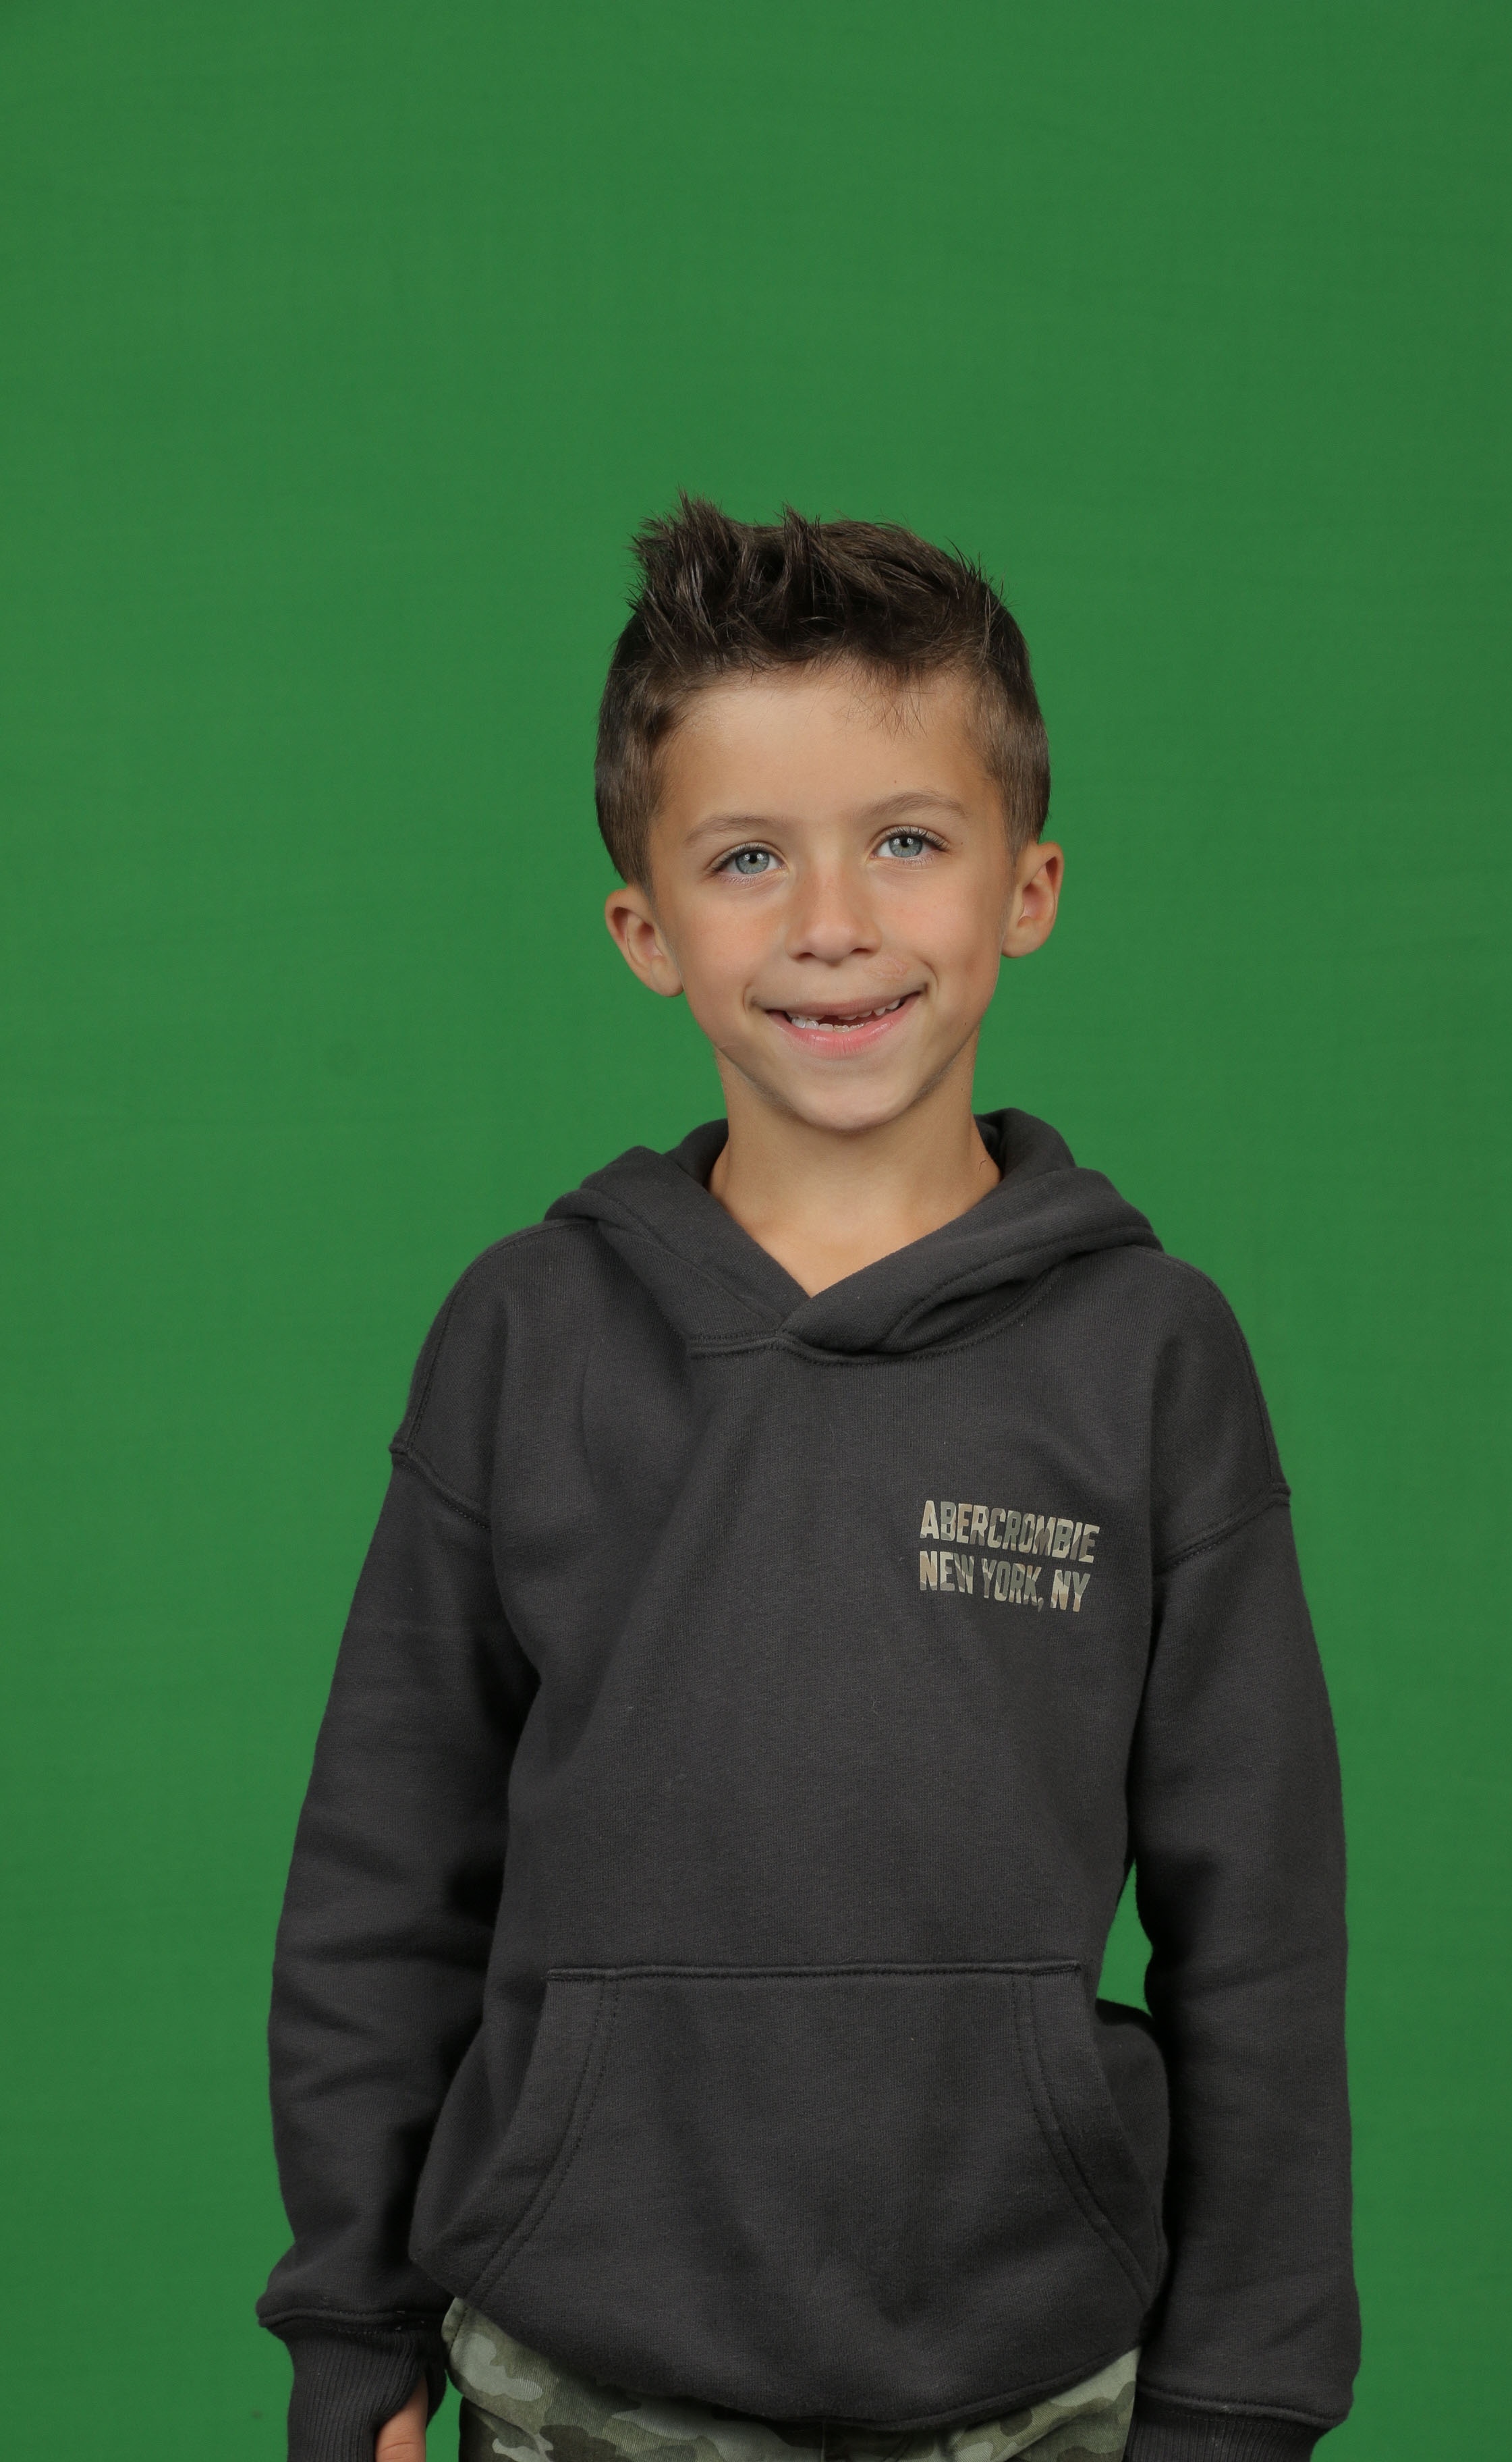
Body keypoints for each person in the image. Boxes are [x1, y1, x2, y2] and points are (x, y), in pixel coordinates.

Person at [258, 501, 1359, 2462]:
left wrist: (1243, 2397)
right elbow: (382, 1878)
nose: (832, 922)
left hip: (1044, 2387)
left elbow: (1259, 1925)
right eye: (747, 857)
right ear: (646, 927)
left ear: (1027, 887)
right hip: (574, 2383)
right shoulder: (527, 1336)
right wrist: (355, 2330)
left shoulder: (1149, 1358)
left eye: (908, 842)